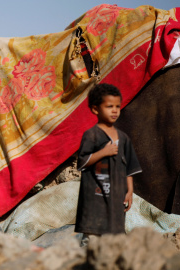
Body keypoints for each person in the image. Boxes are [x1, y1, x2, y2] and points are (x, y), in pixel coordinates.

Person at [74, 83, 142, 246]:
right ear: (95, 109)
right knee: (92, 241)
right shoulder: (91, 136)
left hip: (116, 198)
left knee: (115, 242)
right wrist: (103, 153)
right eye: (109, 106)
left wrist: (130, 190)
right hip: (94, 200)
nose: (114, 110)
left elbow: (129, 167)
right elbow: (82, 162)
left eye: (117, 106)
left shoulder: (123, 138)